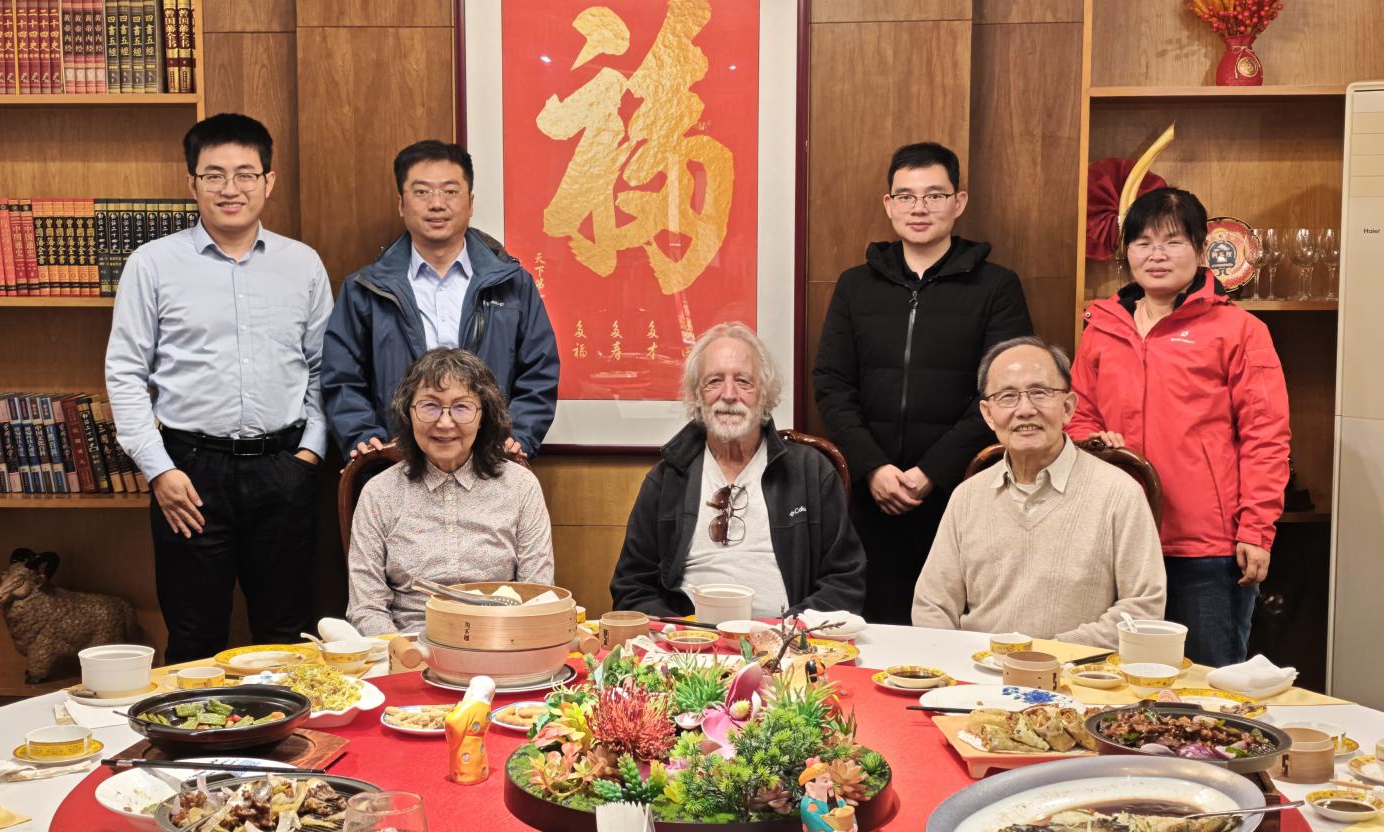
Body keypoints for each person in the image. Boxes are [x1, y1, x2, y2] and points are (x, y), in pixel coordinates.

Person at [105, 113, 333, 664]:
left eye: (245, 174)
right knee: (193, 637)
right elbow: (125, 372)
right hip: (189, 473)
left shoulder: (301, 265)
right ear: (192, 184)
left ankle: (289, 752)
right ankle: (192, 752)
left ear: (268, 181)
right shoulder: (153, 265)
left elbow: (326, 369)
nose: (230, 189)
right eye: (214, 175)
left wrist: (309, 454)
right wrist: (160, 470)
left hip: (284, 468)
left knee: (287, 639)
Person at [1068, 187, 1290, 666]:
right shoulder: (1101, 326)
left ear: (1201, 248)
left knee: (1209, 688)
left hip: (1205, 547)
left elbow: (1266, 435)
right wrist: (1092, 442)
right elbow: (1078, 412)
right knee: (1109, 684)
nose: (1157, 255)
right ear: (1126, 253)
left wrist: (1256, 528)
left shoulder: (1239, 330)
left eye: (1172, 241)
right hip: (1116, 539)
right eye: (1143, 242)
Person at [812, 142, 1033, 624]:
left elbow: (1004, 393)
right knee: (873, 626)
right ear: (888, 205)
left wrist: (932, 470)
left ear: (959, 201)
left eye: (934, 195)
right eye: (906, 196)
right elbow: (831, 383)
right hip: (870, 495)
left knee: (956, 624)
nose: (919, 208)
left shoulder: (997, 287)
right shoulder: (855, 286)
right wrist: (873, 468)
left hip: (964, 490)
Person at [912, 337, 1166, 648]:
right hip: (975, 678)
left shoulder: (1120, 493)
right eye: (1007, 397)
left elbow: (1143, 609)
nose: (1025, 409)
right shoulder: (967, 496)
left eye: (1040, 393)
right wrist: (957, 661)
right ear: (988, 414)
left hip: (1079, 678)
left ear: (1068, 407)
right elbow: (931, 605)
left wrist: (1046, 654)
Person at [322, 139, 560, 464]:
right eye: (422, 192)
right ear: (401, 204)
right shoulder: (364, 289)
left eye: (450, 192)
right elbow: (342, 377)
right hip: (396, 468)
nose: (437, 204)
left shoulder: (512, 284)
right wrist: (366, 439)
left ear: (470, 203)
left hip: (489, 467)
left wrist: (515, 437)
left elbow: (539, 371)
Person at [611, 323, 865, 619]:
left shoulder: (811, 473)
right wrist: (680, 635)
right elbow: (631, 588)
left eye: (744, 381)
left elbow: (845, 582)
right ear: (696, 395)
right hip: (689, 649)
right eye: (714, 381)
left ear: (765, 395)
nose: (728, 395)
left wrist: (785, 633)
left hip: (787, 647)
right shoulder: (666, 479)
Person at [346, 349, 554, 635]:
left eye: (462, 407)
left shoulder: (520, 487)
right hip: (407, 648)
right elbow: (366, 607)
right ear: (409, 413)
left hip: (500, 643)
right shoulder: (379, 492)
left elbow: (537, 597)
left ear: (483, 416)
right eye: (429, 406)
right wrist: (402, 653)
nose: (445, 423)